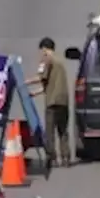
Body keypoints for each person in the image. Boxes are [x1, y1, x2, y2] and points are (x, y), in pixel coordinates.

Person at [27, 37, 72, 168]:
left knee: (50, 131)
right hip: (63, 101)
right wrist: (35, 93)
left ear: (45, 49)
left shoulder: (47, 60)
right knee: (63, 131)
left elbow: (41, 77)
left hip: (52, 102)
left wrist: (25, 82)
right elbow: (48, 84)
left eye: (42, 50)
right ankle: (66, 158)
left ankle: (51, 158)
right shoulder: (61, 62)